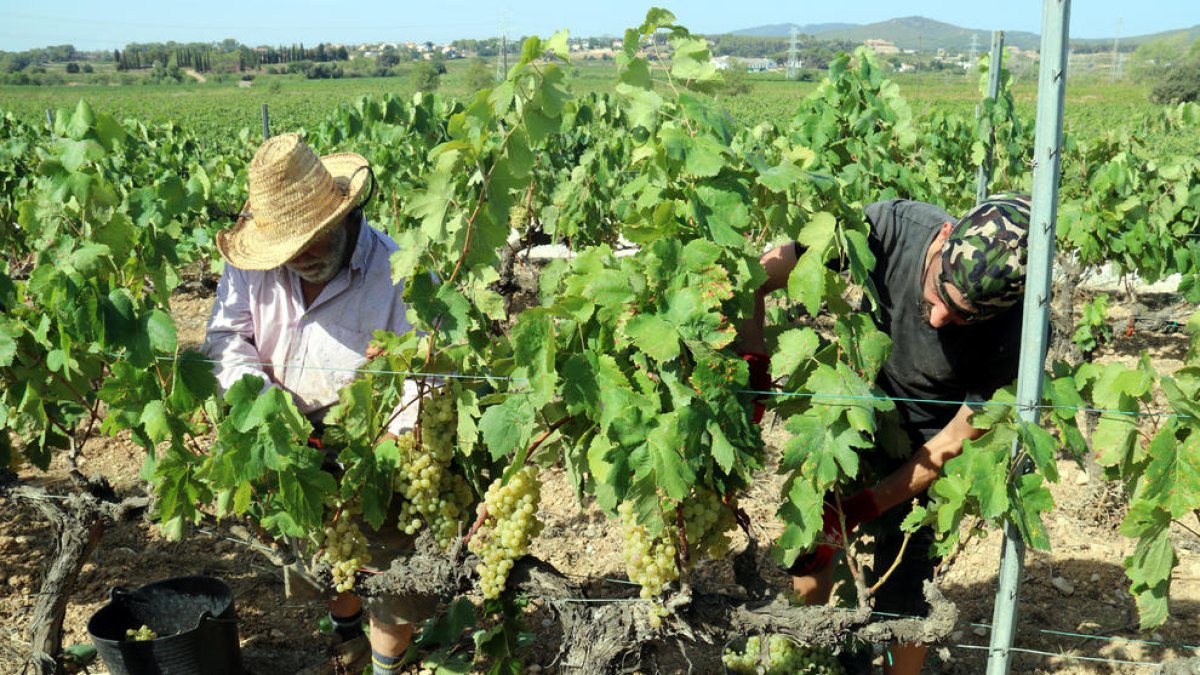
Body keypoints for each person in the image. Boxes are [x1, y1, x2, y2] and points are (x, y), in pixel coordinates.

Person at [742, 195, 1031, 675]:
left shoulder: (1015, 331)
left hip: (925, 444)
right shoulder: (888, 228)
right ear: (943, 237)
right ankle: (804, 657)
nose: (940, 319)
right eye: (940, 296)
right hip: (853, 406)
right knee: (812, 544)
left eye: (963, 317)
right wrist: (754, 360)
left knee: (905, 593)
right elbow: (761, 274)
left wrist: (867, 506)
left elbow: (956, 438)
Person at [202, 133, 429, 675]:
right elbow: (226, 336)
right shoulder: (250, 264)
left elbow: (428, 368)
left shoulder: (398, 274)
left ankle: (383, 667)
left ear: (343, 215)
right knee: (322, 553)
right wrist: (266, 406)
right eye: (286, 247)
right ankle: (347, 637)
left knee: (391, 572)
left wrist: (394, 437)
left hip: (376, 438)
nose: (299, 256)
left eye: (311, 239)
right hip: (283, 429)